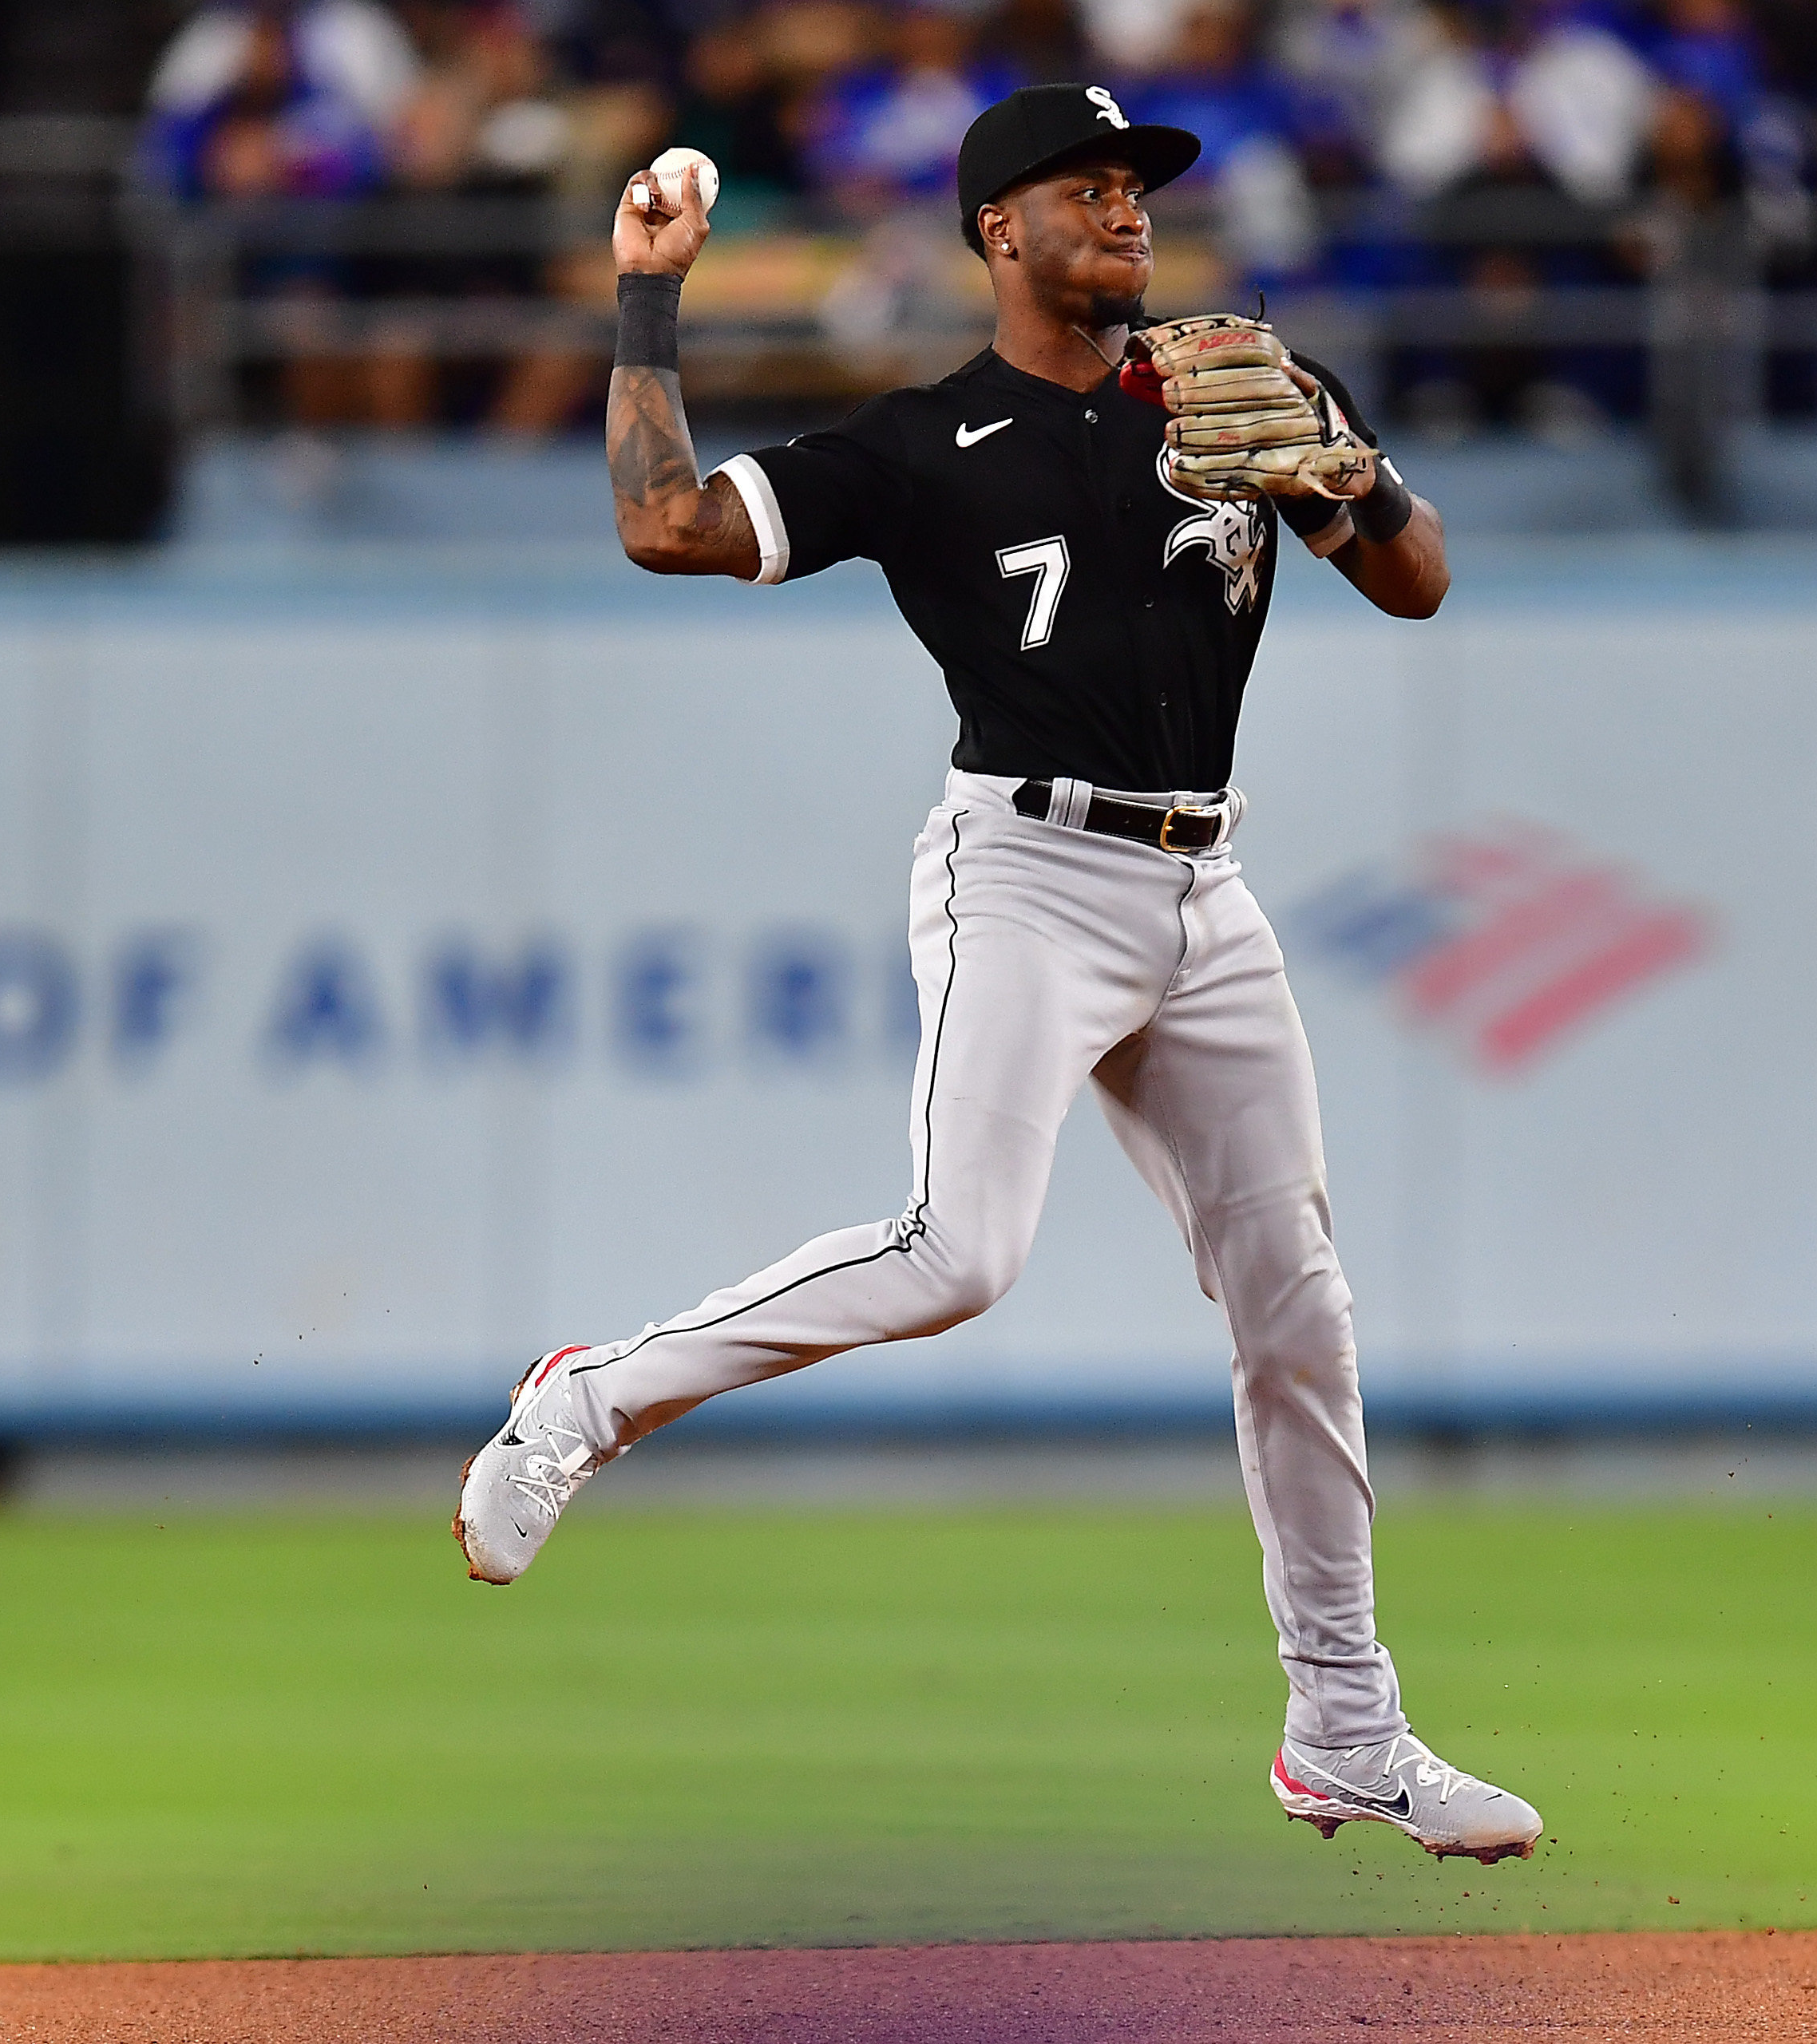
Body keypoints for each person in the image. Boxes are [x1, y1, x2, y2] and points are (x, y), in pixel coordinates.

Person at [456, 81, 1546, 1867]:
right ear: (996, 230)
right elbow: (663, 522)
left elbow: (1416, 582)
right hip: (1026, 870)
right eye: (1086, 188)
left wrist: (1348, 478)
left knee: (1298, 1308)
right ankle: (586, 1397)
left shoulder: (1236, 382)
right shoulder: (918, 441)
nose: (1126, 212)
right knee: (960, 1252)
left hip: (1208, 883)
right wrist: (647, 296)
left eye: (1137, 186)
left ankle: (1345, 1727)